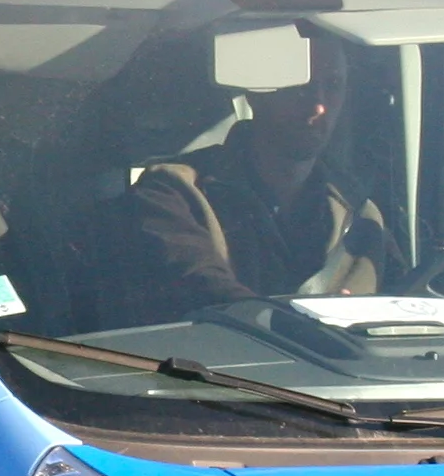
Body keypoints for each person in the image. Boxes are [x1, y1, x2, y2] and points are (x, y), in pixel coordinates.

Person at [117, 39, 392, 315]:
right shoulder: (173, 193)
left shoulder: (362, 216)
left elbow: (405, 305)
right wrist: (310, 322)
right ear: (255, 94)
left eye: (333, 85)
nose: (318, 106)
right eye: (299, 87)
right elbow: (205, 293)